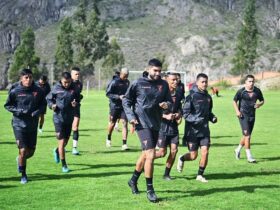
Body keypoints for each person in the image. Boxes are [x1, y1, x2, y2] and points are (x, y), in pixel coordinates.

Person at [123, 58, 172, 203]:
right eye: (155, 70)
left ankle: (133, 180)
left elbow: (169, 102)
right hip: (141, 123)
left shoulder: (163, 84)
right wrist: (131, 117)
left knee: (145, 155)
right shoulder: (138, 83)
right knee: (150, 154)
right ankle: (150, 190)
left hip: (156, 123)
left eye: (159, 71)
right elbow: (126, 100)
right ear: (148, 69)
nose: (157, 73)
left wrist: (166, 105)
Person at [4, 69, 45, 184]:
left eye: (30, 77)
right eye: (26, 77)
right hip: (19, 125)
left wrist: (38, 111)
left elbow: (43, 104)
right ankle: (23, 175)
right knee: (22, 150)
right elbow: (7, 105)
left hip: (32, 125)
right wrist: (18, 111)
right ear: (21, 78)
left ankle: (20, 160)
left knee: (30, 152)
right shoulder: (15, 91)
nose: (28, 79)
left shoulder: (38, 91)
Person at [177, 73, 217, 183]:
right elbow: (185, 114)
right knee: (193, 156)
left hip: (204, 131)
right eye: (202, 82)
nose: (205, 84)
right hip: (192, 132)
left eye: (206, 82)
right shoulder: (191, 96)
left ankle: (200, 175)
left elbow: (208, 112)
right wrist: (196, 120)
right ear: (197, 82)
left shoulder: (208, 97)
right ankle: (182, 158)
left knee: (205, 152)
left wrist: (212, 117)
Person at [46, 72, 79, 173]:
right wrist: (52, 105)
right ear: (61, 80)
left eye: (68, 82)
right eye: (65, 82)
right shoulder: (56, 88)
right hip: (58, 119)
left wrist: (75, 103)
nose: (67, 84)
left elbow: (78, 97)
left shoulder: (74, 87)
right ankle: (64, 165)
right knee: (61, 142)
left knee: (65, 142)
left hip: (69, 118)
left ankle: (56, 151)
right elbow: (48, 99)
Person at [154, 72, 184, 180]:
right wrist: (165, 116)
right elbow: (153, 110)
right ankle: (147, 159)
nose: (176, 82)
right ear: (167, 80)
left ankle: (166, 174)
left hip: (173, 127)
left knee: (174, 150)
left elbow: (180, 108)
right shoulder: (160, 94)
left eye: (177, 80)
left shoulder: (179, 93)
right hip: (162, 128)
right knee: (162, 153)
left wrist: (178, 114)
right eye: (173, 80)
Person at [233, 75, 264, 163]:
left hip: (252, 116)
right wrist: (237, 111)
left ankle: (237, 149)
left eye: (252, 81)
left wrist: (259, 104)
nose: (251, 83)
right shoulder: (241, 91)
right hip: (242, 115)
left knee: (246, 135)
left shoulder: (257, 91)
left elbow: (262, 100)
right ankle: (249, 156)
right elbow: (234, 101)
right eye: (249, 81)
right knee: (248, 136)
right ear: (245, 82)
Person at [106, 68, 130, 150]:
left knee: (124, 123)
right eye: (125, 75)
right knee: (112, 123)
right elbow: (108, 93)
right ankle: (108, 138)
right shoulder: (114, 82)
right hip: (115, 106)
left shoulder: (127, 82)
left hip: (124, 106)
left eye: (127, 76)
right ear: (121, 74)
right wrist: (118, 97)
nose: (126, 77)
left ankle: (124, 144)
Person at [71, 67, 83, 155]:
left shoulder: (80, 84)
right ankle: (60, 147)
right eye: (76, 74)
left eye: (78, 74)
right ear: (71, 75)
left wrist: (79, 99)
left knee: (75, 127)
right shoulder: (67, 83)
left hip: (76, 107)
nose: (77, 75)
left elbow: (78, 95)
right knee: (66, 129)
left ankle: (74, 148)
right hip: (67, 108)